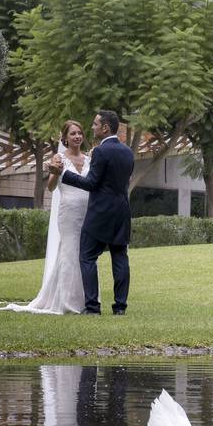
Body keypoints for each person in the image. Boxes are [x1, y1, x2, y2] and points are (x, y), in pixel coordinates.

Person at [0, 120, 90, 314]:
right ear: (65, 138)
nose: (77, 136)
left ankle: (87, 300)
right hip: (69, 212)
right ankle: (66, 301)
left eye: (80, 133)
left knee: (85, 255)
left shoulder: (89, 159)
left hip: (87, 212)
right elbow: (52, 187)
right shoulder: (59, 157)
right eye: (73, 134)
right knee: (70, 253)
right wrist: (55, 171)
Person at [50, 110, 133, 315]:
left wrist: (64, 174)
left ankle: (93, 307)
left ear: (105, 128)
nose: (92, 128)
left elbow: (91, 183)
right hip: (122, 212)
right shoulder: (127, 152)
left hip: (99, 213)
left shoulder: (101, 152)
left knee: (87, 256)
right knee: (120, 257)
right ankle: (120, 307)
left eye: (95, 124)